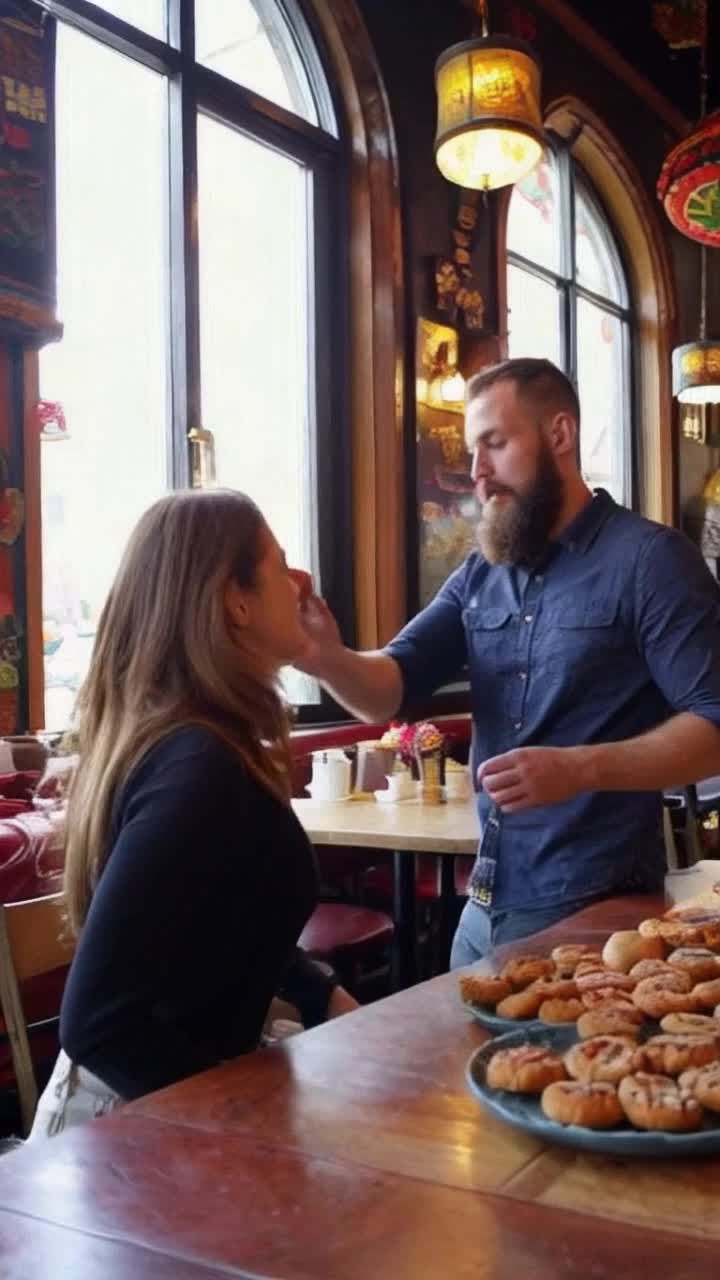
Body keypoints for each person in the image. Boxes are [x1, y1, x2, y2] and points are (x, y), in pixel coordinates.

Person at [295, 357, 720, 966]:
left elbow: (714, 725)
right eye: (473, 451)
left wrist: (579, 770)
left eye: (494, 444)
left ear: (560, 435)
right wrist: (324, 656)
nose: (477, 473)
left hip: (600, 910)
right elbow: (390, 688)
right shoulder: (480, 572)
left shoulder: (651, 560)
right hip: (482, 904)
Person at [30, 489, 357, 1138]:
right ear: (236, 601)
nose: (302, 583)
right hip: (126, 1129)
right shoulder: (198, 768)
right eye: (280, 564)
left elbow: (228, 919)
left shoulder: (206, 744)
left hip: (169, 1107)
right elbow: (99, 1023)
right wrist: (238, 1127)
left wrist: (324, 995)